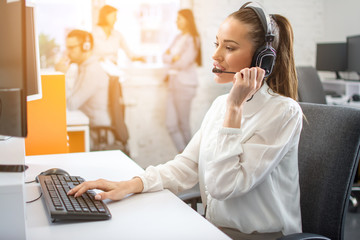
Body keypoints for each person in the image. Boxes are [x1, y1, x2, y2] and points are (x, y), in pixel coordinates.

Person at [68, 2, 303, 239]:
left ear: (263, 60)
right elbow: (187, 166)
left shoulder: (283, 113)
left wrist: (234, 108)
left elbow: (224, 187)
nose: (215, 55)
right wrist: (131, 184)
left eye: (229, 47)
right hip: (215, 229)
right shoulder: (219, 106)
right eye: (217, 43)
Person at [58, 29, 111, 146]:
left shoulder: (92, 71)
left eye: (71, 48)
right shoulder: (83, 68)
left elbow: (71, 105)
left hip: (97, 135)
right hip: (87, 127)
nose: (67, 53)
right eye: (67, 48)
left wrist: (61, 76)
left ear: (86, 47)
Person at [162, 9, 202, 153]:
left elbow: (183, 63)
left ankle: (193, 160)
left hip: (185, 85)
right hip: (172, 83)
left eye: (179, 19)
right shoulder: (177, 38)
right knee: (170, 124)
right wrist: (173, 57)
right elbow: (164, 56)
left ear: (187, 20)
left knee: (183, 125)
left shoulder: (193, 39)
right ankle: (184, 158)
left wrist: (172, 58)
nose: (176, 22)